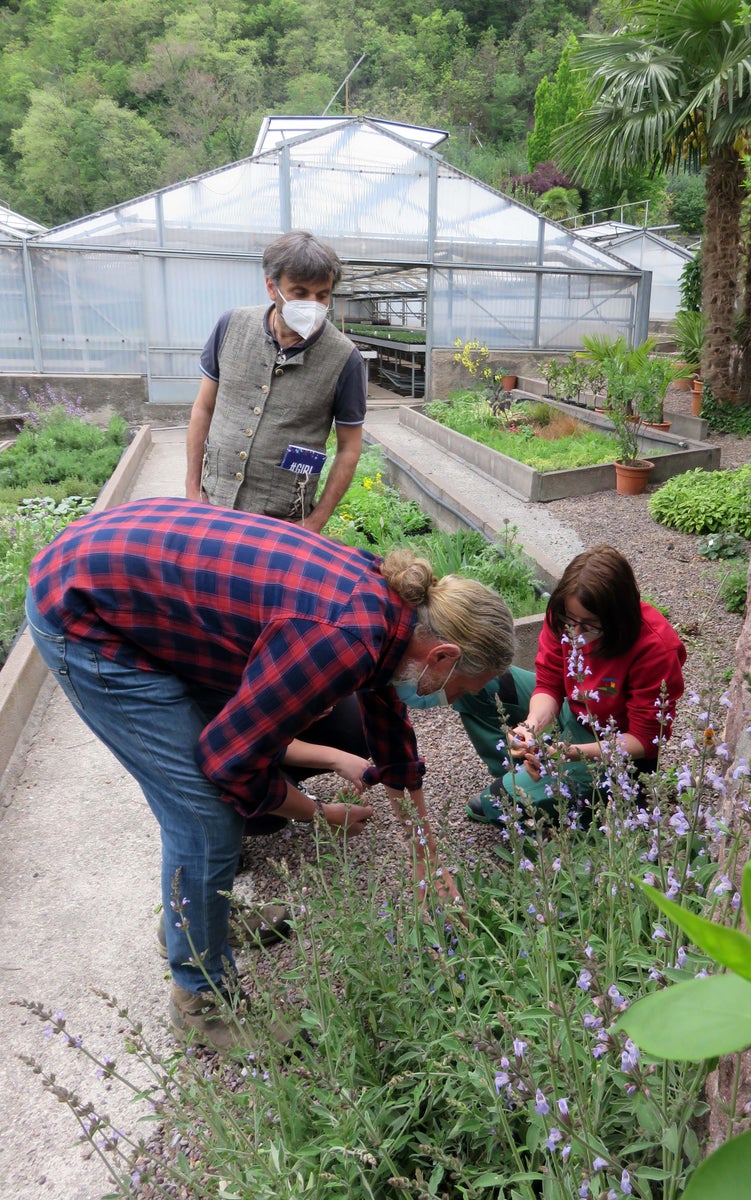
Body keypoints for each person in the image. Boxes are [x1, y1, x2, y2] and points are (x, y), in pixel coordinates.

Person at [26, 496, 514, 1050]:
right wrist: (319, 814)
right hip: (85, 611)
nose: (455, 701)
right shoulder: (343, 638)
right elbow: (229, 763)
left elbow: (391, 733)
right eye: (464, 689)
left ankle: (199, 917)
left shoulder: (394, 610)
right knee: (204, 814)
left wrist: (427, 858)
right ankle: (201, 1002)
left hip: (134, 577)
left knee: (214, 786)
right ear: (443, 656)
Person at [456, 545, 686, 826]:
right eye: (570, 621)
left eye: (589, 626)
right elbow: (549, 683)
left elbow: (644, 739)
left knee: (497, 803)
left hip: (612, 744)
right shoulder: (565, 616)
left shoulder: (655, 649)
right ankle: (522, 768)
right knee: (480, 680)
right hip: (571, 710)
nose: (575, 633)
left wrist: (568, 753)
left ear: (617, 620)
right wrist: (530, 729)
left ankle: (581, 800)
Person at [185, 230, 366, 533]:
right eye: (300, 293)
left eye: (322, 295)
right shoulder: (231, 327)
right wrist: (192, 490)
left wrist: (315, 522)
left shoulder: (345, 359)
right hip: (214, 504)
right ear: (271, 287)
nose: (312, 304)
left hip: (283, 523)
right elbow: (203, 408)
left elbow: (349, 447)